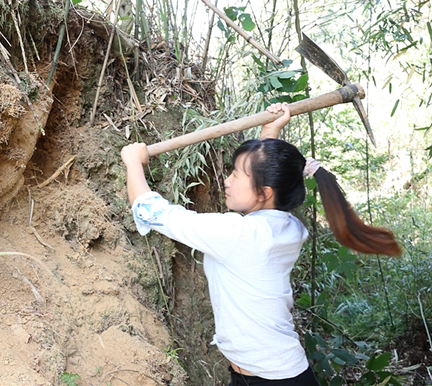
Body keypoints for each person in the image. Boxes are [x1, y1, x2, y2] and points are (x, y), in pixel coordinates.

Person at [120, 103, 401, 386]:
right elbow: (266, 180)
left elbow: (151, 211)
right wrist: (271, 130)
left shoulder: (236, 234)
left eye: (235, 175)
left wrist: (133, 161)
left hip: (270, 380)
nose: (226, 181)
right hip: (271, 374)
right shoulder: (287, 227)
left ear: (264, 192)